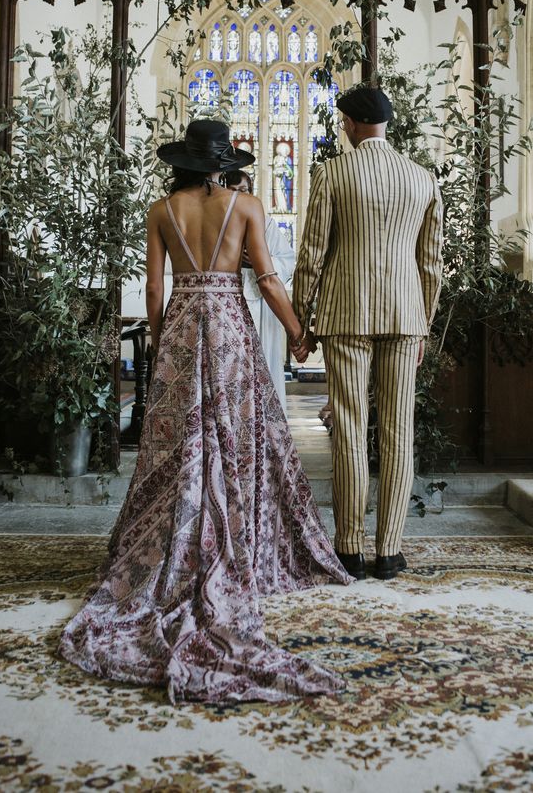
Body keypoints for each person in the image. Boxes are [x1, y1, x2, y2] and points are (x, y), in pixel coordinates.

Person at [58, 119, 352, 704]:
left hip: (183, 326)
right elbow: (267, 279)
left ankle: (177, 543)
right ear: (223, 164)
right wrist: (299, 334)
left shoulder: (161, 210)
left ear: (184, 163)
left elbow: (153, 290)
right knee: (234, 435)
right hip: (228, 329)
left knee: (180, 442)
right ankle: (236, 540)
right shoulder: (247, 206)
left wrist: (163, 342)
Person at [292, 87, 443, 582]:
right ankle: (390, 551)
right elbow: (430, 263)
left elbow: (312, 254)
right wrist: (423, 323)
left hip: (346, 314)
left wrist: (301, 320)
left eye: (344, 122)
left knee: (351, 428)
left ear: (353, 124)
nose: (343, 128)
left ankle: (350, 548)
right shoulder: (422, 179)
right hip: (404, 317)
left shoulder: (333, 173)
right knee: (399, 432)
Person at [226, 168, 295, 414]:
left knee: (263, 364)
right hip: (230, 298)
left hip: (262, 302)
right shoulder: (218, 222)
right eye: (232, 191)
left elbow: (287, 261)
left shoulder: (265, 224)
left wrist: (261, 262)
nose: (238, 196)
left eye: (244, 191)